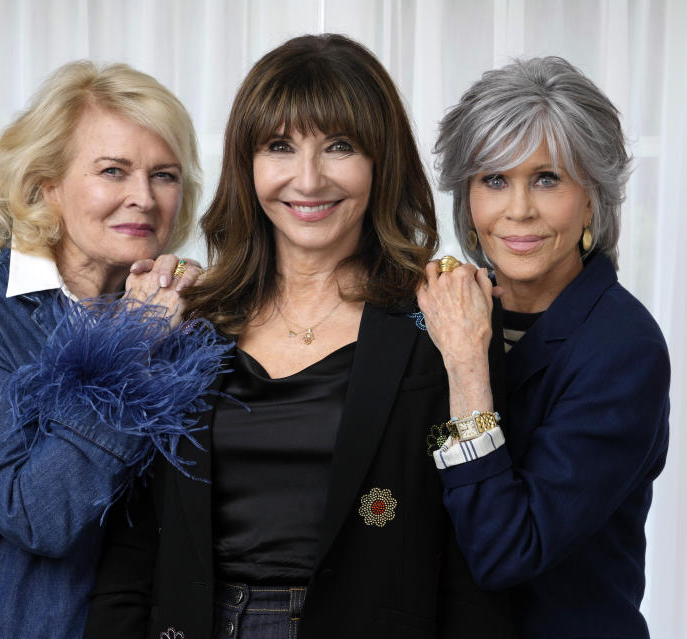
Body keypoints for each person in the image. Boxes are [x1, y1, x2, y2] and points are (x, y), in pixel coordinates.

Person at [85, 34, 515, 638]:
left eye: (339, 146)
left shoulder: (444, 316)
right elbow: (133, 541)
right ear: (247, 164)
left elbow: (473, 561)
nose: (307, 180)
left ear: (380, 162)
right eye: (279, 146)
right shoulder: (189, 317)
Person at [0, 61, 228, 639]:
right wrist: (134, 339)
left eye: (164, 175)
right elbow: (36, 514)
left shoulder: (189, 316)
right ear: (47, 185)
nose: (143, 198)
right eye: (113, 171)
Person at [418, 56, 670, 638]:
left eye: (548, 179)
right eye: (495, 179)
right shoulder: (449, 307)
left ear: (592, 197)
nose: (519, 210)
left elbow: (509, 549)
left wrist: (465, 365)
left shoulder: (624, 348)